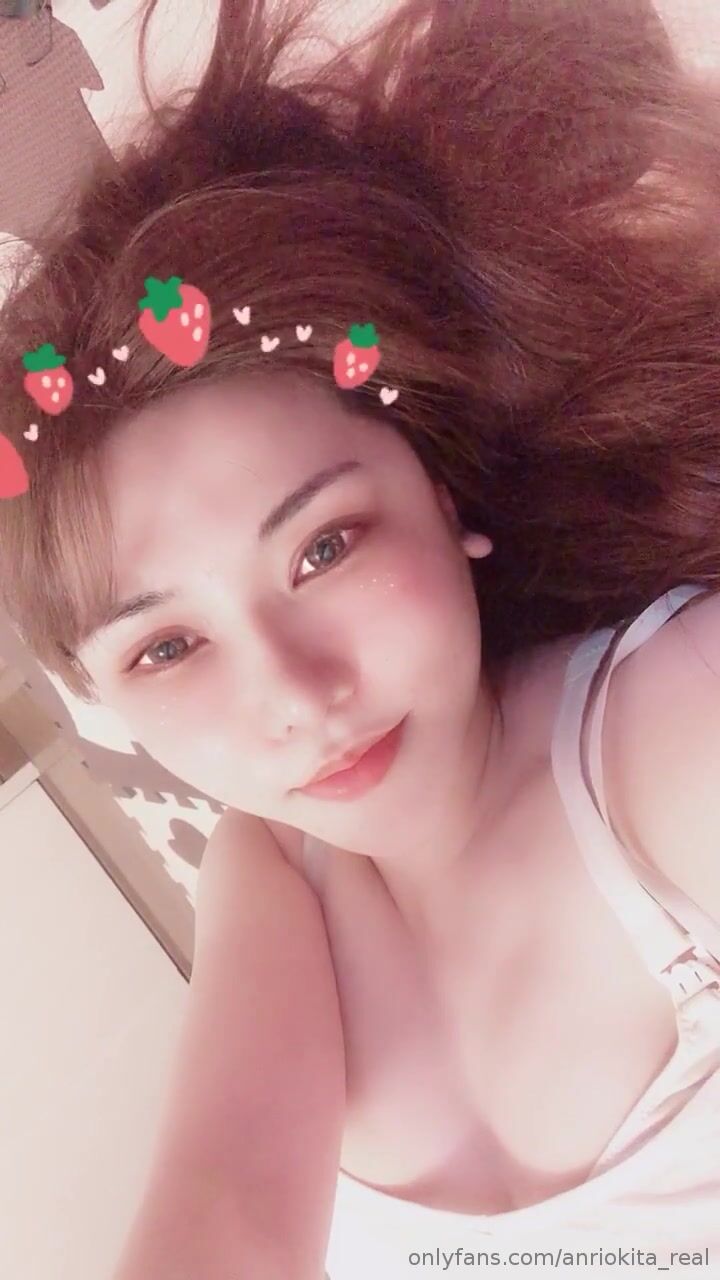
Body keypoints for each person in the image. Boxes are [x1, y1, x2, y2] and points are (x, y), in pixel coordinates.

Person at [1, 0, 720, 1275]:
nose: (296, 694)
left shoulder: (666, 725)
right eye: (166, 648)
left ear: (443, 499)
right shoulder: (271, 864)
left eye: (324, 548)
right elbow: (228, 1204)